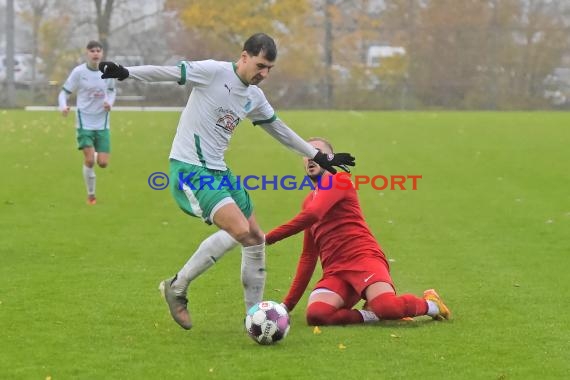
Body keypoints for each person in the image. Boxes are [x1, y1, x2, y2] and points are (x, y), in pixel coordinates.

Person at [98, 33, 356, 330]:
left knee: (255, 237)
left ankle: (254, 317)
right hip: (190, 169)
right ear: (244, 56)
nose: (264, 74)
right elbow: (169, 73)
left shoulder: (254, 97)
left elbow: (280, 130)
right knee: (242, 231)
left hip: (220, 171)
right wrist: (126, 72)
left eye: (269, 68)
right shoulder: (213, 71)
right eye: (260, 65)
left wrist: (318, 156)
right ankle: (177, 287)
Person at [265, 137, 450, 325]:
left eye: (317, 152)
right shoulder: (308, 201)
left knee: (387, 307)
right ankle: (372, 315)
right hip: (335, 272)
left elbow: (314, 213)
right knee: (317, 315)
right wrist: (286, 306)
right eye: (306, 154)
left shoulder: (339, 180)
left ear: (330, 158)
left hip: (364, 259)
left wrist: (266, 238)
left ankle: (431, 304)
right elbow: (308, 256)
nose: (311, 157)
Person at [58, 40, 116, 205]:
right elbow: (64, 92)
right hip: (84, 122)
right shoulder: (79, 72)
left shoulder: (108, 72)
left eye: (98, 50)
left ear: (102, 53)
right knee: (89, 161)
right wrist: (63, 107)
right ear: (87, 53)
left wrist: (109, 103)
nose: (95, 53)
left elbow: (112, 92)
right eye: (92, 51)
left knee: (103, 163)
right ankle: (91, 195)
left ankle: (95, 153)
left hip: (103, 123)